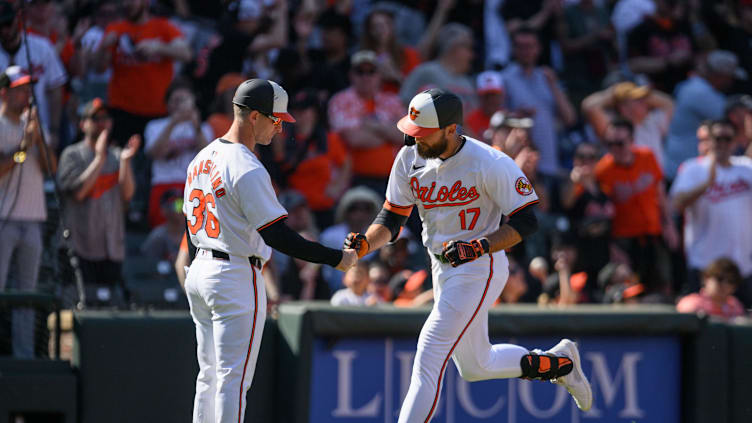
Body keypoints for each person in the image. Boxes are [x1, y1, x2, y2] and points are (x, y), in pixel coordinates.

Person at [344, 88, 592, 421]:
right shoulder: (409, 157)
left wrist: (479, 245)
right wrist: (365, 243)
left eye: (423, 133)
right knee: (476, 365)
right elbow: (392, 217)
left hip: (480, 265)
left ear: (451, 129)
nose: (414, 139)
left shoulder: (489, 161)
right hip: (441, 265)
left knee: (429, 355)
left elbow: (527, 221)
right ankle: (560, 364)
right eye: (412, 131)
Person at [182, 78, 357, 423]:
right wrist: (335, 257)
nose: (280, 127)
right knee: (233, 380)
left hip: (201, 267)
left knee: (209, 375)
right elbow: (277, 235)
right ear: (255, 117)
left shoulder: (202, 156)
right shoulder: (245, 165)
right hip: (234, 273)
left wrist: (194, 266)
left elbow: (190, 224)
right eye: (276, 119)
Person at [57, 98, 139, 307]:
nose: (102, 123)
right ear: (82, 123)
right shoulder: (71, 154)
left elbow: (127, 195)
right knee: (79, 307)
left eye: (106, 118)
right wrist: (99, 159)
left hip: (110, 246)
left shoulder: (116, 156)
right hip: (80, 246)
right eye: (96, 118)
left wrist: (125, 162)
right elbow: (78, 193)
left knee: (110, 307)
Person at [0, 66, 56, 358]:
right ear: (4, 92)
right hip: (3, 219)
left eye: (28, 88)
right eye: (20, 88)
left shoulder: (33, 125)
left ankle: (23, 356)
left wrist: (39, 139)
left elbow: (51, 169)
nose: (26, 94)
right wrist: (22, 148)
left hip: (33, 219)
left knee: (26, 295)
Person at [670, 119, 752, 305]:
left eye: (726, 138)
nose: (721, 143)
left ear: (734, 141)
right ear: (709, 140)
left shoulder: (746, 167)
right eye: (717, 138)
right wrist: (706, 184)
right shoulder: (694, 168)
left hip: (742, 267)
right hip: (706, 268)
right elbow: (677, 203)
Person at [595, 118, 677, 295]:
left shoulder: (647, 156)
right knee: (632, 286)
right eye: (610, 144)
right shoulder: (603, 170)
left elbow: (660, 193)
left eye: (620, 143)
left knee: (662, 281)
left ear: (631, 141)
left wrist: (668, 223)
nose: (614, 149)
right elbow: (604, 211)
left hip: (653, 232)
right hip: (625, 238)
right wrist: (613, 245)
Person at [94, 0, 191, 145]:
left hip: (157, 111)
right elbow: (99, 68)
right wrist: (104, 47)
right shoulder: (115, 29)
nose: (128, 4)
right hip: (122, 110)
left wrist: (158, 47)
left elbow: (186, 53)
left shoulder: (163, 27)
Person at [502, 27, 577, 177]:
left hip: (550, 162)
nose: (526, 51)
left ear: (538, 49)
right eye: (520, 46)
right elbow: (496, 118)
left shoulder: (547, 78)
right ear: (513, 49)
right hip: (520, 165)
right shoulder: (504, 79)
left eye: (530, 46)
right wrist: (516, 115)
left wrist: (554, 86)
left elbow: (570, 119)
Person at [328, 50, 403, 194]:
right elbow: (354, 139)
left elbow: (406, 135)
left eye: (371, 71)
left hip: (394, 180)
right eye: (360, 72)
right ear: (351, 75)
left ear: (379, 75)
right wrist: (389, 134)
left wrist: (372, 126)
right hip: (355, 179)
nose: (365, 77)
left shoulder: (393, 100)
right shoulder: (340, 100)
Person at [664, 50, 745, 181]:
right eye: (729, 77)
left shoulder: (695, 86)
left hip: (690, 166)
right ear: (719, 75)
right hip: (683, 169)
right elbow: (737, 119)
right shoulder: (698, 91)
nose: (731, 82)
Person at [144, 79, 211, 227]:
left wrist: (196, 126)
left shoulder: (204, 127)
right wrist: (173, 123)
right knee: (165, 232)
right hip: (164, 186)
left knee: (193, 235)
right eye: (175, 100)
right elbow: (155, 153)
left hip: (192, 187)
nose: (180, 105)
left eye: (184, 100)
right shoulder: (155, 126)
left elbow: (208, 157)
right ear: (167, 104)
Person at [0, 2, 66, 148]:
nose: (4, 30)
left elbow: (55, 88)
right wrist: (20, 153)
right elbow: (13, 161)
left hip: (38, 127)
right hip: (3, 130)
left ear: (17, 20)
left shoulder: (41, 47)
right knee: (15, 162)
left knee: (44, 167)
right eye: (0, 26)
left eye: (8, 23)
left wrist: (54, 129)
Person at [582, 81, 674, 169]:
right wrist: (615, 92)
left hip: (656, 181)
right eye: (637, 100)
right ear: (623, 108)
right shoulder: (613, 128)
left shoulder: (652, 122)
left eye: (643, 99)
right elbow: (590, 106)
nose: (646, 102)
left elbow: (669, 103)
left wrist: (636, 90)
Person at [399, 23, 477, 112]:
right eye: (468, 49)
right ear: (454, 48)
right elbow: (403, 102)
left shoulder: (467, 83)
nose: (471, 56)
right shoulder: (426, 72)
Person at [676, 258, 747, 320]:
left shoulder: (736, 307)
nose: (724, 284)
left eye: (731, 281)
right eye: (719, 278)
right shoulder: (692, 304)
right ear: (706, 278)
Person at [464, 71, 505, 141]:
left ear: (501, 96)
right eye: (486, 96)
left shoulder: (508, 119)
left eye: (494, 95)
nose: (490, 100)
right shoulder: (470, 120)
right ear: (479, 97)